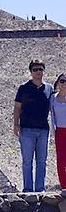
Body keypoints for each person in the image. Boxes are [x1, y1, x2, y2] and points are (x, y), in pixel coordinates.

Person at [13, 60, 53, 192]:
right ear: (31, 72)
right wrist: (16, 124)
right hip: (27, 128)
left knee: (42, 161)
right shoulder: (23, 88)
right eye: (35, 69)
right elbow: (17, 107)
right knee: (27, 161)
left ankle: (40, 188)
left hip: (43, 129)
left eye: (40, 69)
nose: (38, 72)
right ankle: (28, 188)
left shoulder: (49, 88)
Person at [50, 73, 66, 195]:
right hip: (59, 131)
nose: (64, 83)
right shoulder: (53, 98)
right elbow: (52, 115)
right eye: (62, 81)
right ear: (58, 82)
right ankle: (64, 185)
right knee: (61, 159)